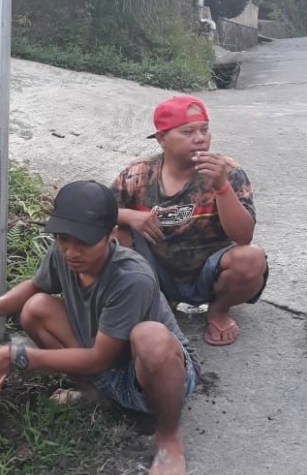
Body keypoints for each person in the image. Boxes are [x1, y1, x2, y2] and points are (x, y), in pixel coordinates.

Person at [0, 180, 200, 475]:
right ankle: (94, 394)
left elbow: (100, 357)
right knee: (34, 309)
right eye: (63, 239)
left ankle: (169, 439)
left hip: (150, 375)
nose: (71, 252)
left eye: (84, 243)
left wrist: (17, 356)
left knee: (151, 337)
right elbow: (35, 288)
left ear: (110, 234)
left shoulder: (132, 277)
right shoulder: (63, 252)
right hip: (102, 364)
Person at [112, 95, 267, 347]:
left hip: (210, 274)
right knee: (114, 233)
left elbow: (243, 237)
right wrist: (131, 216)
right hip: (154, 272)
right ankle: (150, 304)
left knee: (251, 259)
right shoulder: (139, 174)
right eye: (188, 132)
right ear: (162, 139)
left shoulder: (227, 171)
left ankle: (218, 310)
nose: (200, 138)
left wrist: (221, 187)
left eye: (204, 130)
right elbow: (98, 212)